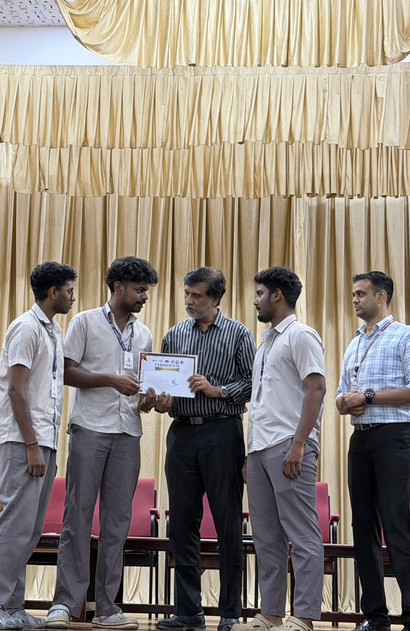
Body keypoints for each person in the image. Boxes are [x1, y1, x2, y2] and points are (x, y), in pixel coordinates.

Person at [45, 257, 164, 630]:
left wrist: (148, 400)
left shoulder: (144, 334)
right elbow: (66, 372)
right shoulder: (84, 322)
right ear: (118, 287)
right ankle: (65, 604)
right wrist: (110, 380)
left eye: (146, 291)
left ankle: (108, 608)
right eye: (139, 290)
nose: (144, 297)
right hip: (90, 428)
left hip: (128, 432)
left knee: (118, 522)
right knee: (77, 517)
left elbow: (140, 391)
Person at [0, 261, 77, 629]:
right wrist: (32, 444)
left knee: (30, 529)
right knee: (14, 523)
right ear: (53, 292)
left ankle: (12, 606)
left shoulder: (52, 330)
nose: (73, 296)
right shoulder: (26, 327)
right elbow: (16, 391)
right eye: (69, 290)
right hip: (22, 440)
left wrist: (43, 443)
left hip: (43, 439)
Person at [157, 267, 255, 631]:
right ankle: (188, 611)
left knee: (228, 524)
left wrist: (219, 390)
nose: (189, 301)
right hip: (181, 433)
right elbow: (163, 384)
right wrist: (161, 400)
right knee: (182, 524)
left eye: (196, 295)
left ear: (216, 298)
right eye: (186, 294)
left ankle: (230, 613)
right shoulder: (174, 335)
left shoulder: (238, 334)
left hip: (222, 431)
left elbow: (254, 382)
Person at [335, 271, 410, 631]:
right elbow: (342, 393)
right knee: (363, 526)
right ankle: (374, 616)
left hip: (394, 436)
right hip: (360, 437)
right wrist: (344, 402)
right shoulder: (354, 342)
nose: (355, 300)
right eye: (353, 294)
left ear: (381, 296)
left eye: (361, 294)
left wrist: (369, 396)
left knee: (395, 521)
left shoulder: (407, 336)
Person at [235, 268, 326, 631]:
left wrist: (299, 443)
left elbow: (315, 389)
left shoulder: (301, 335)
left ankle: (303, 616)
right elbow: (262, 401)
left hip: (290, 445)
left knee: (301, 534)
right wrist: (250, 453)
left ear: (276, 295)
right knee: (266, 537)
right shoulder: (266, 342)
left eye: (259, 293)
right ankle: (270, 613)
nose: (255, 300)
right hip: (260, 449)